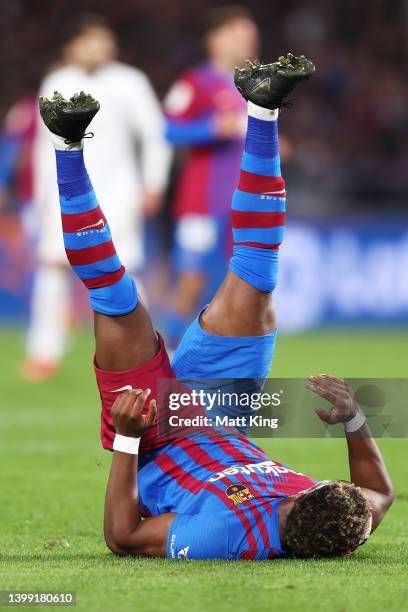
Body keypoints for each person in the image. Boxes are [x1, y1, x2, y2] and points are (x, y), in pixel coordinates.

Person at [38, 53, 394, 560]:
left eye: (306, 488)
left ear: (295, 509)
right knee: (257, 270)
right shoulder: (345, 519)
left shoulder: (223, 535)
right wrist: (355, 420)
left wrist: (126, 440)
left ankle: (66, 144)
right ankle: (264, 109)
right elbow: (381, 495)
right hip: (225, 409)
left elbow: (124, 537)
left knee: (116, 297)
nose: (302, 484)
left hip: (155, 432)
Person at [23, 14, 170, 381]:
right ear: (71, 46)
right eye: (90, 40)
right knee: (53, 269)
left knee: (126, 269)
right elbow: (44, 149)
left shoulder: (129, 82)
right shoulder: (58, 82)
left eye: (104, 40)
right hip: (66, 195)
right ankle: (44, 351)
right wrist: (41, 201)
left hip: (119, 193)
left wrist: (154, 182)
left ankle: (146, 349)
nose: (100, 47)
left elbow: (155, 134)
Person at [163, 5, 259, 344]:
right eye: (237, 34)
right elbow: (168, 129)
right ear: (214, 39)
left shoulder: (255, 85)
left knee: (240, 282)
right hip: (201, 200)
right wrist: (211, 127)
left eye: (249, 34)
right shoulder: (195, 82)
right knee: (190, 278)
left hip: (245, 202)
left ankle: (226, 361)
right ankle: (170, 353)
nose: (247, 41)